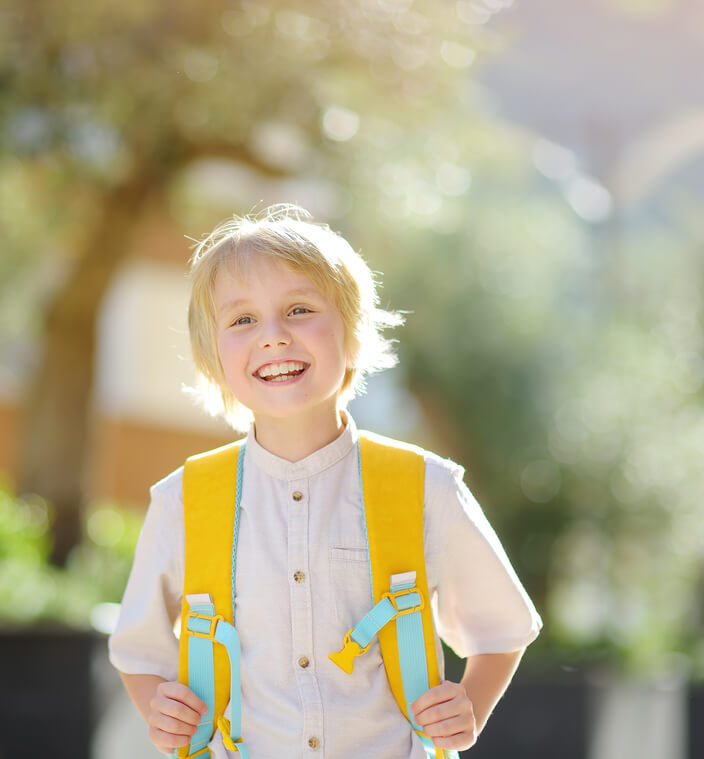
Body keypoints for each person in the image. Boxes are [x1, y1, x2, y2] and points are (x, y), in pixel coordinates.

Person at [109, 204, 541, 757]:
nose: (273, 336)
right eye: (242, 319)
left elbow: (502, 630)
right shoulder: (183, 502)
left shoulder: (425, 487)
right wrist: (160, 711)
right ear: (213, 357)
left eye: (299, 309)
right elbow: (139, 654)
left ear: (355, 335)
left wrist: (469, 707)